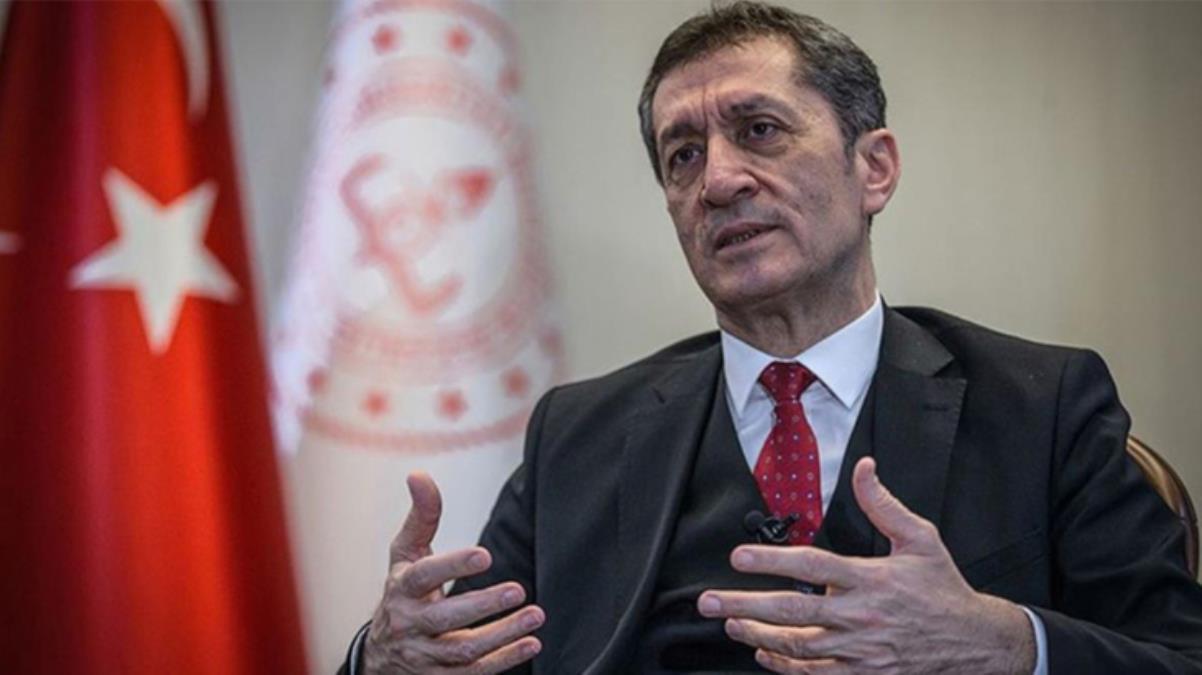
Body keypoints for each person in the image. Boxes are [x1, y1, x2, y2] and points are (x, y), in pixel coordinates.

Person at [339, 3, 1202, 673]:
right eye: (682, 155)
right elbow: (463, 650)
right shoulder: (578, 434)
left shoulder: (1042, 405)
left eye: (760, 130)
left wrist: (1006, 644)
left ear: (874, 168)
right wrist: (381, 656)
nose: (718, 181)